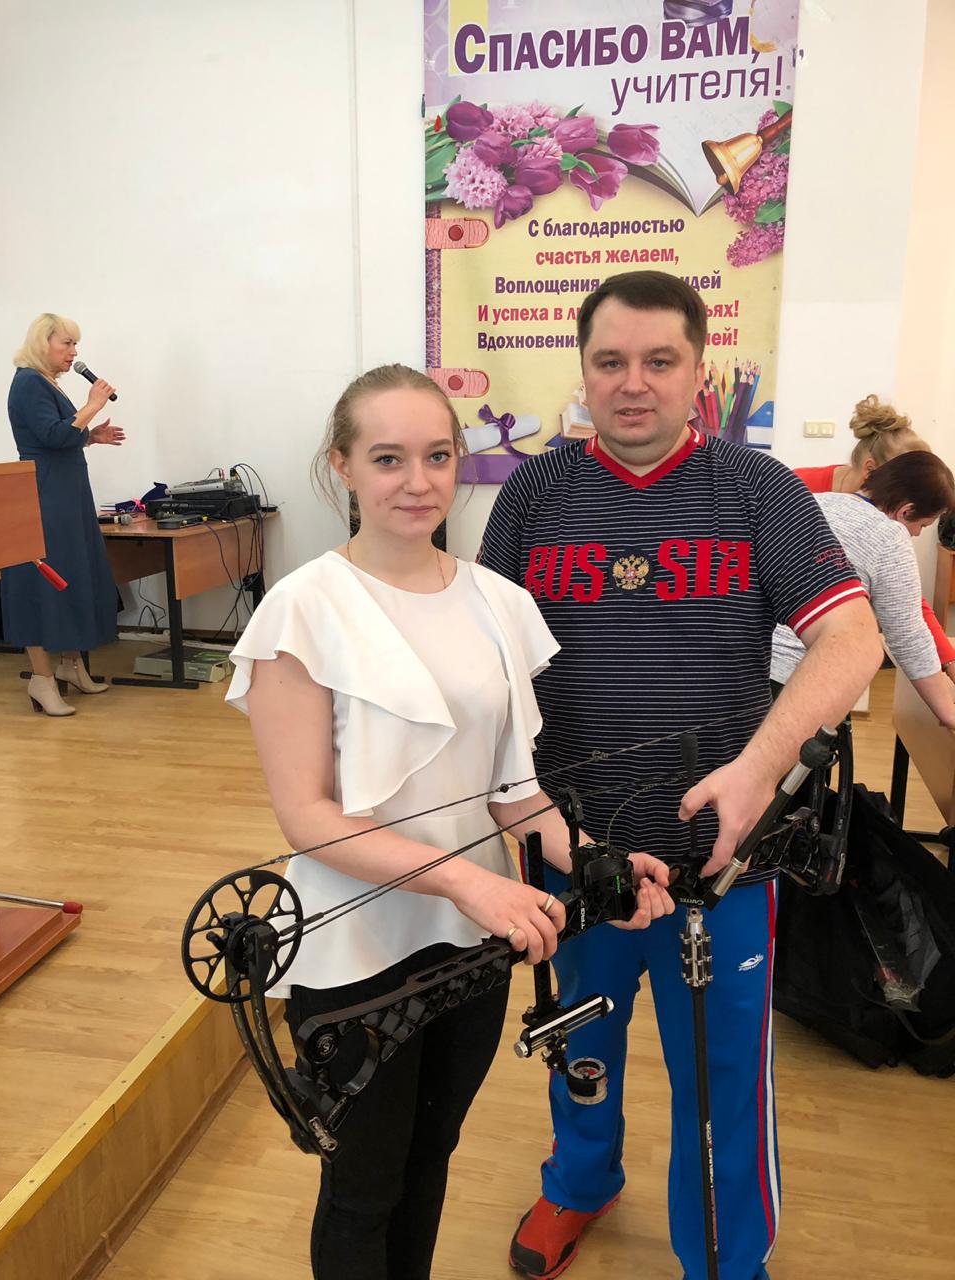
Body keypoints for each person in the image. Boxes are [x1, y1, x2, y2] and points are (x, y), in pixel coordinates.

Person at [223, 364, 674, 1280]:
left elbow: (513, 793)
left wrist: (598, 860)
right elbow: (308, 816)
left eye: (437, 456)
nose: (417, 481)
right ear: (343, 465)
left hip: (470, 942)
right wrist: (468, 879)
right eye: (388, 458)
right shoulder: (302, 611)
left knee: (430, 1158)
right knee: (363, 1187)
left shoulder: (497, 602)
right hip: (357, 950)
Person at [478, 271, 883, 1280]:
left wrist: (758, 770)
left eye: (660, 361)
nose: (634, 383)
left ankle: (725, 1258)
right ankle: (580, 1182)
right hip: (577, 854)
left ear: (700, 370)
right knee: (579, 1042)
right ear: (582, 371)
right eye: (611, 361)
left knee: (724, 1076)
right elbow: (487, 665)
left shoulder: (758, 490)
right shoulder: (532, 496)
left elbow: (852, 640)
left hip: (724, 860)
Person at [775, 449, 955, 726]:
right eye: (922, 524)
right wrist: (949, 714)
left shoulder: (813, 502)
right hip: (799, 683)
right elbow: (908, 637)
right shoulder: (889, 536)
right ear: (906, 510)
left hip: (743, 671)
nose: (917, 534)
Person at [0, 313, 123, 716]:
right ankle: (42, 679)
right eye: (67, 343)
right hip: (42, 496)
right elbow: (51, 437)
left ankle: (71, 666)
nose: (74, 352)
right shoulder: (27, 382)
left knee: (73, 574)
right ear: (44, 343)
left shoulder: (45, 382)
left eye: (75, 344)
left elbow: (60, 434)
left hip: (67, 494)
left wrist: (90, 436)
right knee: (43, 582)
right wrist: (91, 406)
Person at [793, 393, 955, 685]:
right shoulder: (798, 489)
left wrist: (948, 660)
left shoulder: (886, 522)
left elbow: (904, 600)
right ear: (872, 471)